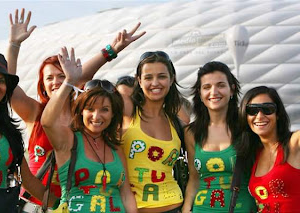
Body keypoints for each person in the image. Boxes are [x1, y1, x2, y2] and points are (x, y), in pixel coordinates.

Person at [6, 8, 145, 211]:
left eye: (61, 77)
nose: (56, 82)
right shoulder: (36, 112)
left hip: (73, 199)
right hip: (36, 203)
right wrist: (14, 45)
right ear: (42, 84)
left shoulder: (83, 115)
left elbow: (80, 76)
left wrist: (111, 51)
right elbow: (9, 86)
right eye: (49, 78)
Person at [41, 47, 137, 212]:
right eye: (90, 109)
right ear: (80, 111)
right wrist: (68, 82)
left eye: (104, 110)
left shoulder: (116, 147)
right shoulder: (69, 140)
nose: (96, 116)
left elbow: (126, 194)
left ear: (113, 114)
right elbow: (47, 122)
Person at [0, 51, 57, 212]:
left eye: (0, 81)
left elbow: (27, 180)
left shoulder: (10, 132)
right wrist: (14, 45)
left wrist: (60, 205)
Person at [181, 61, 256, 212]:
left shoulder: (248, 127)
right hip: (202, 208)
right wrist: (187, 207)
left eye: (221, 85)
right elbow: (194, 178)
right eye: (207, 87)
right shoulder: (191, 132)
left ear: (232, 90)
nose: (214, 92)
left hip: (241, 208)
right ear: (200, 94)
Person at [121, 51, 184, 212]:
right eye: (148, 77)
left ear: (172, 79)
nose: (155, 83)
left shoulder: (177, 122)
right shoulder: (127, 113)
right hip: (134, 208)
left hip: (175, 206)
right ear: (139, 81)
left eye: (162, 76)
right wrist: (110, 52)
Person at [237, 86, 300, 212]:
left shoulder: (293, 144)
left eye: (267, 109)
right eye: (252, 110)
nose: (259, 116)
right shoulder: (252, 153)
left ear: (278, 114)